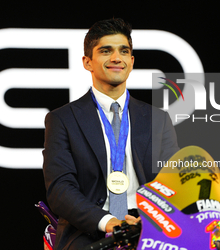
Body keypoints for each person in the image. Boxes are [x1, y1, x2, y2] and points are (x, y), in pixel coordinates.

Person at [43, 18, 179, 250]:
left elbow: (174, 181)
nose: (116, 58)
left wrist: (149, 219)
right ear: (87, 62)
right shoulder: (63, 119)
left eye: (123, 51)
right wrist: (109, 222)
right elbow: (60, 189)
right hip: (90, 230)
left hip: (149, 227)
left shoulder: (158, 119)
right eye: (106, 51)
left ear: (131, 61)